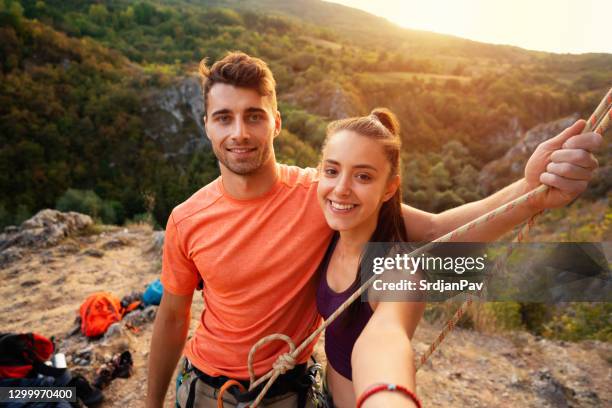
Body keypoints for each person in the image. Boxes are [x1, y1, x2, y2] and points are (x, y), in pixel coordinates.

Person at [145, 52, 602, 408]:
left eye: (254, 116)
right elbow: (172, 318)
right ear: (206, 124)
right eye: (224, 117)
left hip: (289, 387)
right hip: (206, 386)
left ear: (276, 123)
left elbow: (439, 231)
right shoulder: (188, 219)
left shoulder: (322, 196)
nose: (239, 132)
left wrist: (531, 191)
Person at [316, 108, 424, 408]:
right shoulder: (330, 234)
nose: (341, 189)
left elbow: (385, 339)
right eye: (332, 170)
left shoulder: (396, 271)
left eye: (363, 176)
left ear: (390, 187)